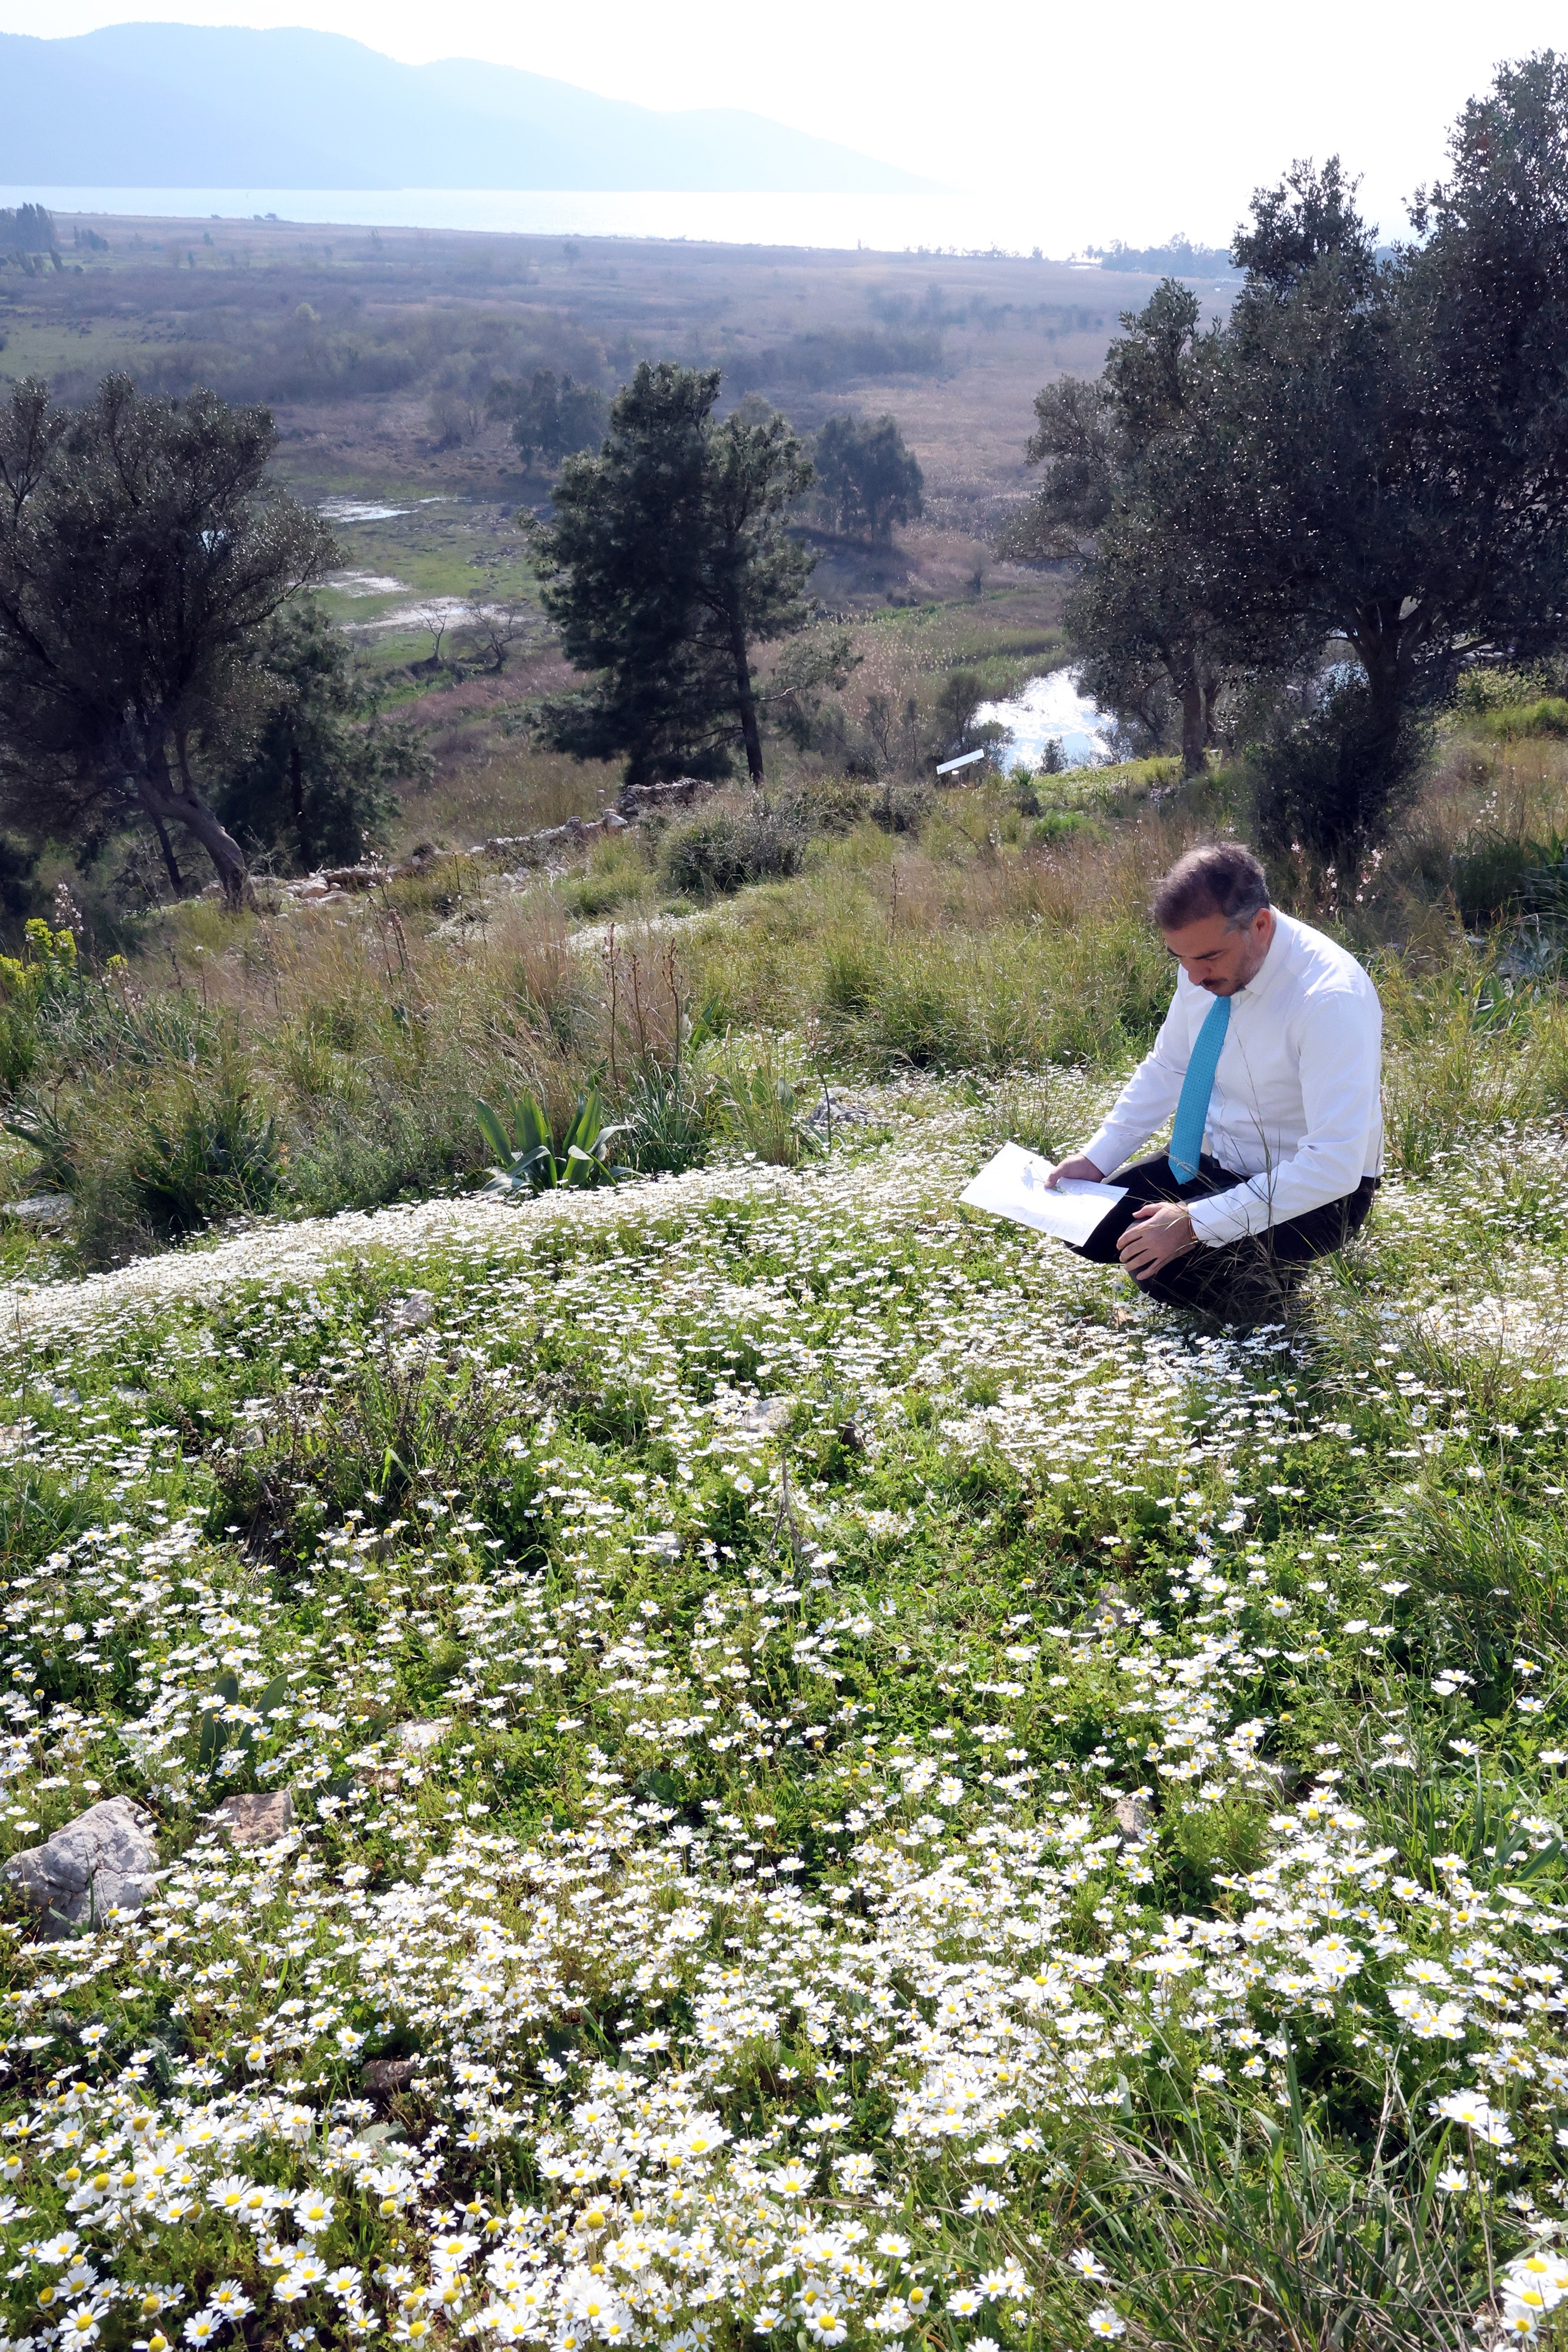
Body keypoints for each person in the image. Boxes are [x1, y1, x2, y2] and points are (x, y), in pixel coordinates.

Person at [1048, 841, 1382, 1322]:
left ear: (1260, 926)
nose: (1193, 975)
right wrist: (1094, 1160)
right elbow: (1168, 1066)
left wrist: (1193, 1224)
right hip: (1215, 1161)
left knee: (1158, 1270)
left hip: (1315, 1191)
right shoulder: (1204, 964)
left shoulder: (1329, 999)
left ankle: (1276, 1292)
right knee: (1086, 1224)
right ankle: (1235, 1249)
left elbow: (1334, 1166)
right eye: (1179, 958)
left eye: (1206, 957)